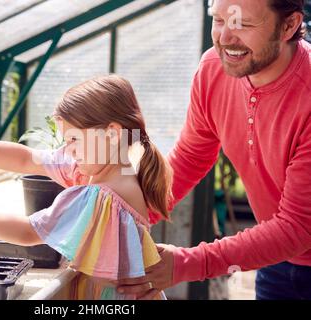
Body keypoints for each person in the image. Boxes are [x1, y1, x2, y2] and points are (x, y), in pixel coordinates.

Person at [117, 0, 311, 300]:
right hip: (277, 260)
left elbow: (298, 226)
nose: (225, 37)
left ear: (289, 25)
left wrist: (189, 263)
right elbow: (191, 157)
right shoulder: (213, 70)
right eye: (218, 19)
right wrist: (126, 216)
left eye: (243, 24)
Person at [0, 75, 172, 300]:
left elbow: (28, 232)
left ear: (112, 134)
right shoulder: (123, 168)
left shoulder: (98, 197)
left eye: (74, 139)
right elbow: (28, 158)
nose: (70, 150)